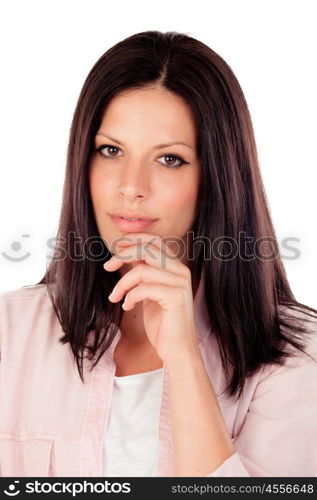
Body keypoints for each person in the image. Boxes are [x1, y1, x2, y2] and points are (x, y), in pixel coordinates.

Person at [0, 30, 317, 478]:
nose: (131, 186)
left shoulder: (298, 356)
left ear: (217, 179)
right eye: (110, 151)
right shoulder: (11, 334)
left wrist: (185, 359)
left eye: (169, 159)